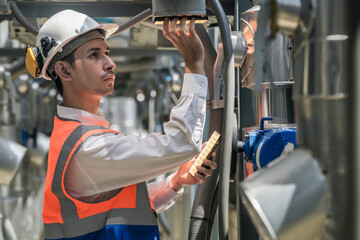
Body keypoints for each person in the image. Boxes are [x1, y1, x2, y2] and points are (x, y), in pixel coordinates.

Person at [27, 9, 216, 240]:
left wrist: (174, 182)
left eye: (107, 52)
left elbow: (117, 209)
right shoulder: (86, 148)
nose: (110, 63)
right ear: (64, 70)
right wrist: (195, 64)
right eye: (94, 55)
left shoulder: (77, 134)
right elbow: (182, 142)